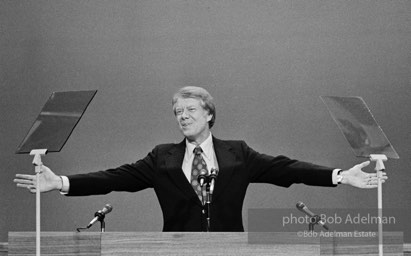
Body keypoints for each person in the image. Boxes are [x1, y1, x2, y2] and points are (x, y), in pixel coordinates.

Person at [14, 86, 387, 232]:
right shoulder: (162, 158)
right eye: (178, 111)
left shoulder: (237, 153)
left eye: (191, 109)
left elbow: (286, 168)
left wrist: (340, 175)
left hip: (230, 250)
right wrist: (59, 182)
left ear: (209, 114)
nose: (183, 116)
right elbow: (114, 177)